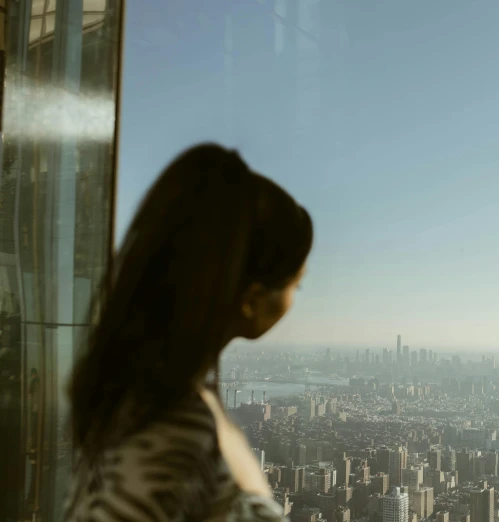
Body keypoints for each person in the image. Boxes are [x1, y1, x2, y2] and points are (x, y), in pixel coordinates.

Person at [63, 144, 313, 521]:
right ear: (253, 297)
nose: (296, 299)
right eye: (297, 285)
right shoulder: (172, 424)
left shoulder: (143, 394)